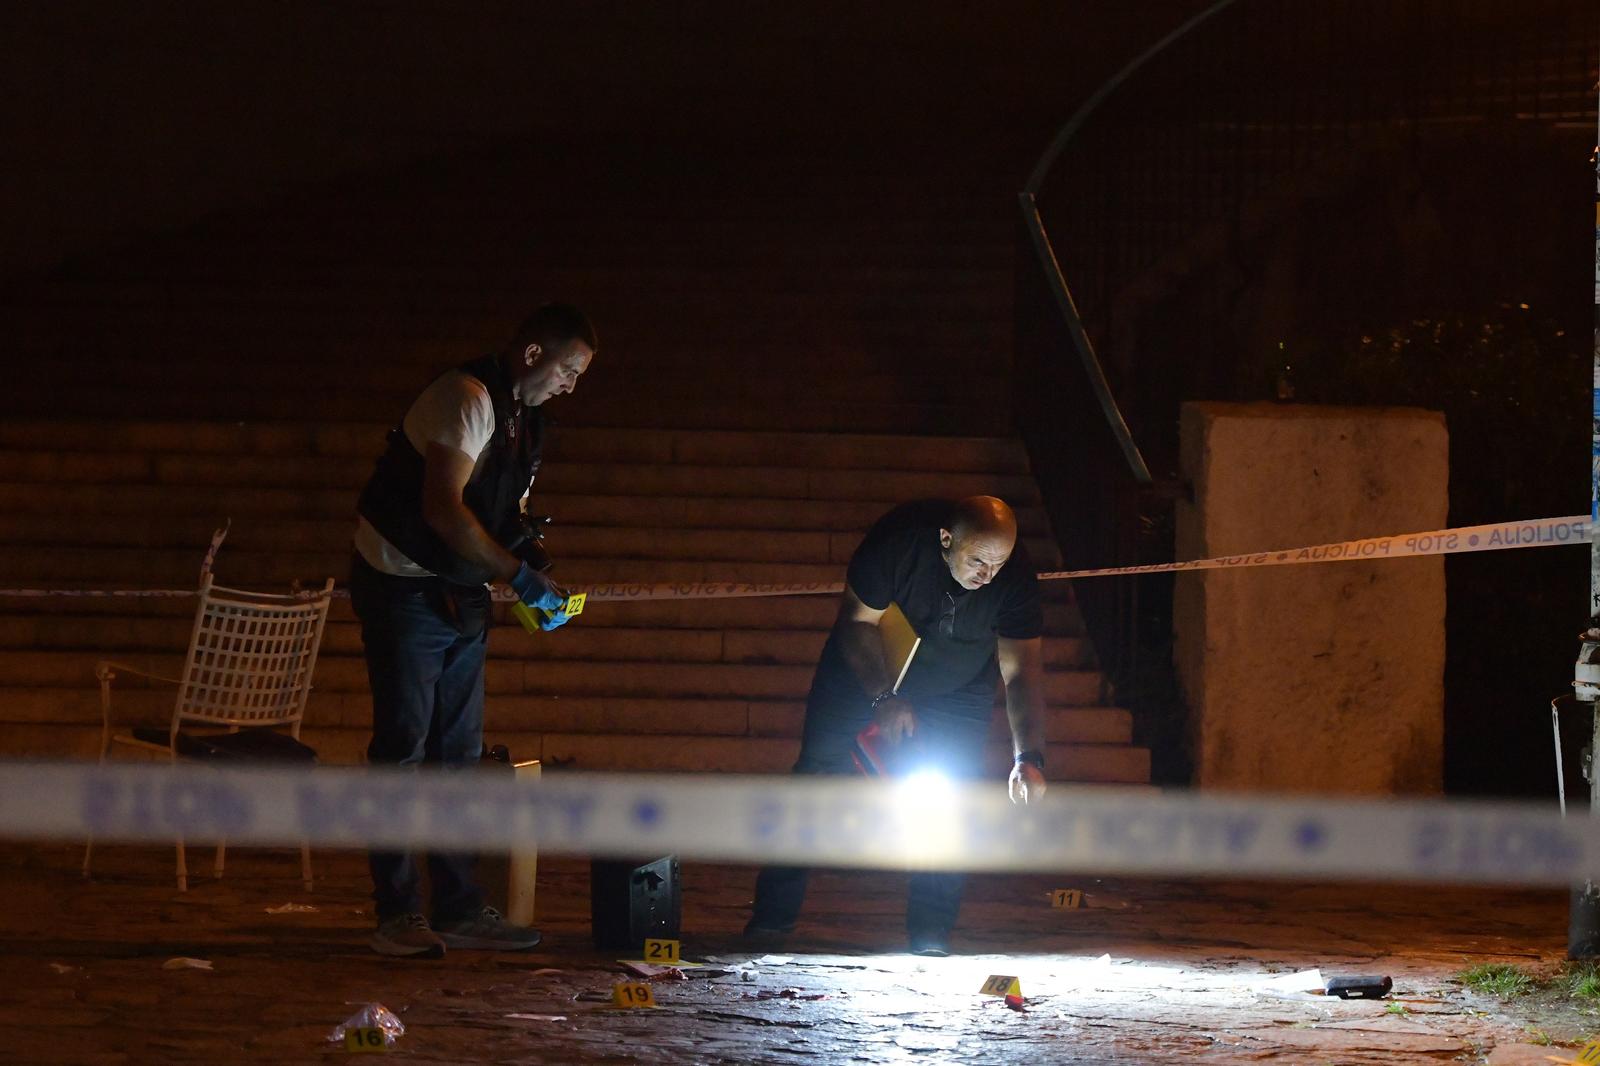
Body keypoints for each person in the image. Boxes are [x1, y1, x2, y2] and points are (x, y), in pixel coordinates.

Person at [350, 303, 596, 958]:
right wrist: (518, 576)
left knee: (458, 755)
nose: (571, 385)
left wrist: (536, 567)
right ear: (535, 354)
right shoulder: (466, 397)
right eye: (569, 369)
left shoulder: (527, 422)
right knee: (402, 751)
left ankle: (457, 907)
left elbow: (501, 513)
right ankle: (397, 915)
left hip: (459, 591)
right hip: (403, 585)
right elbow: (444, 511)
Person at [745, 496, 1048, 956]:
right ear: (947, 540)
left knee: (955, 796)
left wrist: (1028, 756)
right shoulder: (897, 545)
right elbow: (857, 621)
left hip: (959, 681)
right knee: (815, 773)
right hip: (867, 665)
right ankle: (772, 918)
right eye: (977, 561)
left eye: (998, 563)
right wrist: (884, 696)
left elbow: (1021, 670)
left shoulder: (1016, 579)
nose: (987, 575)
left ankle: (931, 934)